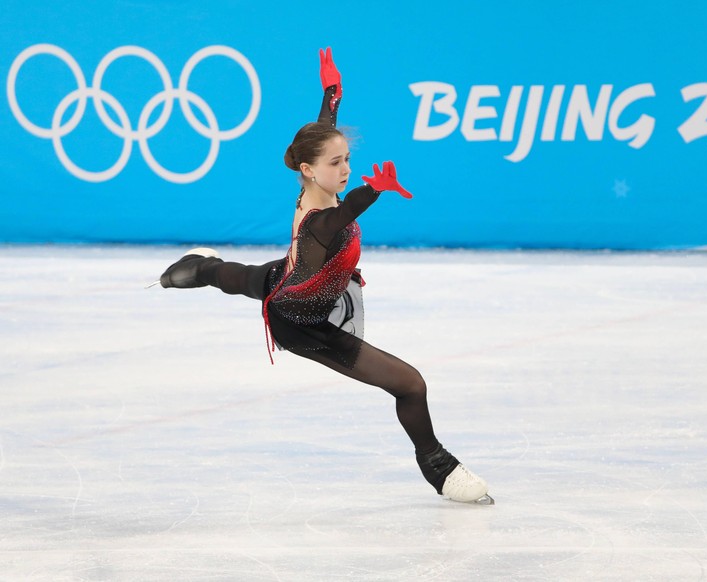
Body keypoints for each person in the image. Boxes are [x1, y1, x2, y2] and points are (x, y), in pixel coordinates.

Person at [155, 48, 493, 505]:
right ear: (309, 170)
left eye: (348, 159)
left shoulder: (314, 174)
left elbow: (325, 129)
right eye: (337, 164)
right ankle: (440, 468)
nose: (346, 168)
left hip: (296, 278)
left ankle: (198, 269)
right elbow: (342, 216)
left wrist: (332, 92)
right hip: (305, 322)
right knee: (410, 384)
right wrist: (372, 190)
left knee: (252, 278)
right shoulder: (318, 219)